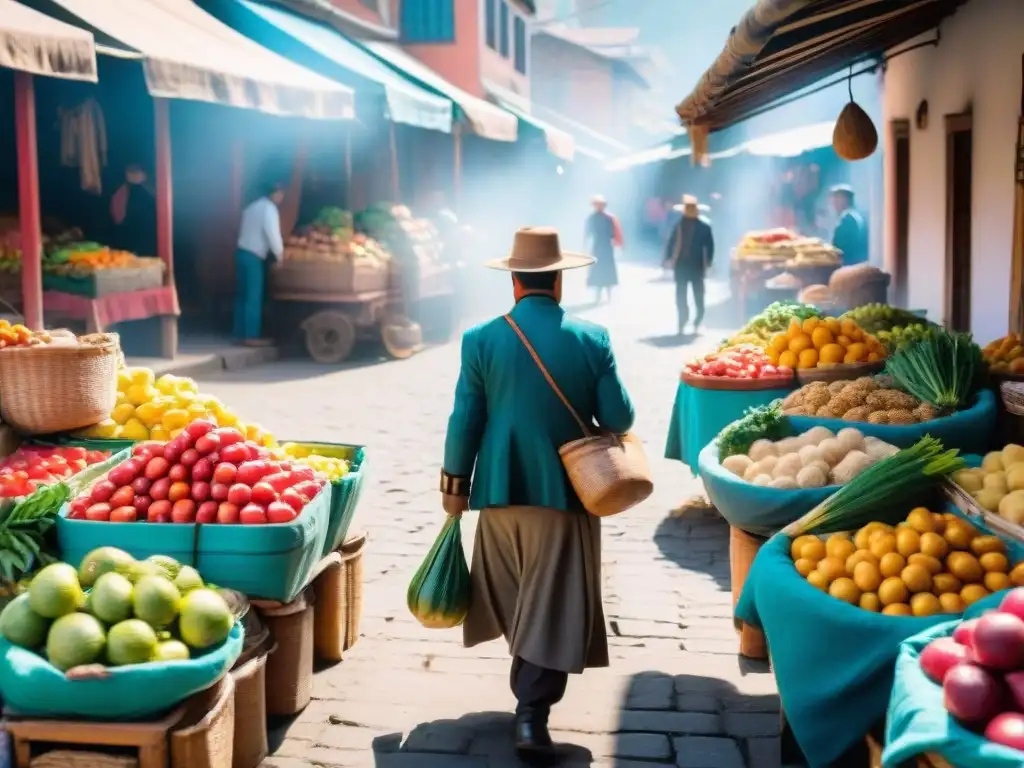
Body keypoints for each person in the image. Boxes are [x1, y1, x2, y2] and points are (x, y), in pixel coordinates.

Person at [440, 227, 635, 760]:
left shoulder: (481, 338)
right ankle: (532, 717)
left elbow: (465, 417)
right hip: (567, 493)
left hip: (500, 491)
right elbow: (619, 417)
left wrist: (455, 486)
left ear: (514, 281)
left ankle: (526, 698)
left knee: (516, 595)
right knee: (551, 602)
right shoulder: (591, 337)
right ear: (559, 280)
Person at [234, 182, 286, 347]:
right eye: (281, 193)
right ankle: (251, 336)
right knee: (253, 297)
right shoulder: (269, 209)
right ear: (275, 193)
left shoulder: (252, 207)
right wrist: (279, 255)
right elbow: (272, 234)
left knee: (242, 296)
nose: (282, 197)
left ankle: (239, 334)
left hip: (241, 253)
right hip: (253, 256)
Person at [663, 194, 714, 335]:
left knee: (699, 296)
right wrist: (667, 257)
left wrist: (708, 262)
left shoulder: (704, 226)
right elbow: (671, 242)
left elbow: (710, 246)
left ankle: (697, 320)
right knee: (681, 296)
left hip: (697, 266)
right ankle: (682, 321)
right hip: (681, 265)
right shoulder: (679, 225)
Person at [108, 164, 156, 257]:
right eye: (130, 171)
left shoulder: (152, 190)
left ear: (144, 173)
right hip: (129, 235)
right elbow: (118, 215)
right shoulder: (121, 192)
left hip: (149, 235)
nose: (132, 175)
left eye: (136, 171)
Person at [584, 194, 621, 303]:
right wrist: (585, 245)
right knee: (597, 270)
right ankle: (597, 296)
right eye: (597, 205)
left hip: (607, 247)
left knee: (608, 270)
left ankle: (609, 296)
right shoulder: (591, 218)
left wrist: (615, 241)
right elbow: (587, 233)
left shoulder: (610, 218)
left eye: (601, 205)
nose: (599, 206)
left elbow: (615, 233)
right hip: (597, 247)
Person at [830, 183, 868, 265]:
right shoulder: (857, 216)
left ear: (845, 199)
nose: (834, 203)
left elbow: (840, 247)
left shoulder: (847, 219)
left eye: (837, 199)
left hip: (850, 264)